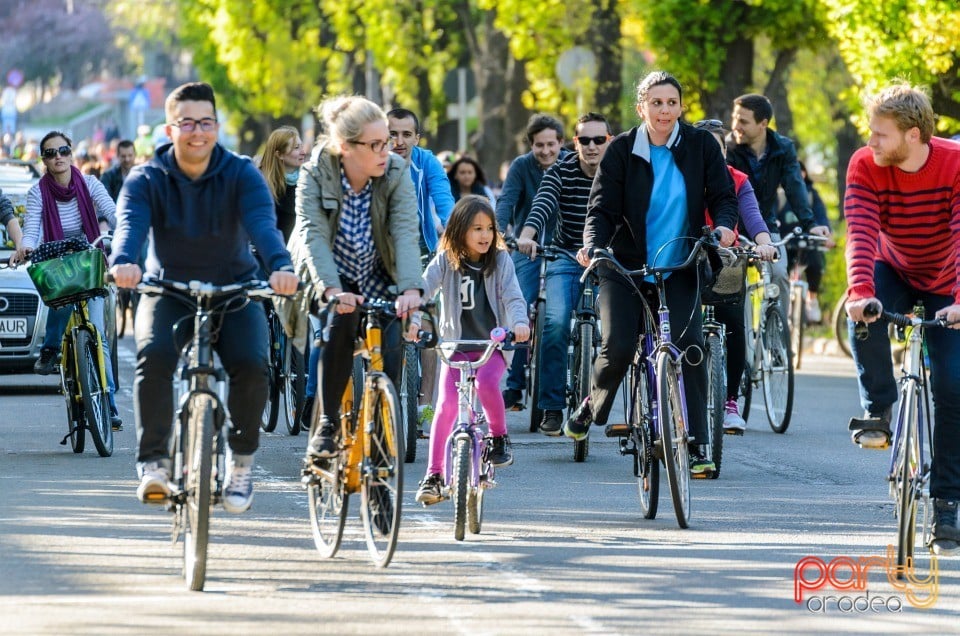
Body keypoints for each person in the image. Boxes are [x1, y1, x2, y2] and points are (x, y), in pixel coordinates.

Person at [108, 82, 298, 513]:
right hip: (168, 287)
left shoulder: (241, 173)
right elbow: (130, 225)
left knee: (252, 364)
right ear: (170, 129)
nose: (198, 132)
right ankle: (154, 463)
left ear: (217, 126)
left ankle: (241, 463)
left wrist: (281, 266)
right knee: (153, 357)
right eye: (187, 123)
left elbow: (262, 225)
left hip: (235, 289)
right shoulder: (147, 178)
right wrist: (123, 261)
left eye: (206, 122)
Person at [566, 72, 738, 477]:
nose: (665, 110)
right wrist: (593, 245)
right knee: (620, 346)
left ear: (681, 107)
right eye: (656, 103)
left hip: (680, 264)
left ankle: (696, 445)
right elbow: (601, 209)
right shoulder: (622, 150)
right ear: (641, 107)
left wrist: (726, 226)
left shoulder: (698, 146)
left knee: (690, 347)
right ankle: (594, 403)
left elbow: (723, 196)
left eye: (672, 103)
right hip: (624, 264)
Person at [842, 82, 960, 556]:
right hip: (891, 265)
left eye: (880, 134)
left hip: (946, 279)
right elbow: (862, 231)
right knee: (863, 311)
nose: (871, 141)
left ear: (913, 136)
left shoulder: (953, 164)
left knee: (952, 386)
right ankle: (879, 408)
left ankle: (948, 502)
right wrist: (860, 292)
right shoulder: (866, 164)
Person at [293, 96, 422, 460]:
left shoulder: (395, 172)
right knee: (341, 324)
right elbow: (313, 236)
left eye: (389, 142)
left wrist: (411, 288)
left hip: (381, 271)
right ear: (345, 147)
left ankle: (383, 441)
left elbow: (404, 231)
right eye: (376, 144)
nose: (388, 150)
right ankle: (328, 422)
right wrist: (332, 289)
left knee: (392, 347)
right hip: (331, 273)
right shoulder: (315, 173)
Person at [412, 195, 530, 505]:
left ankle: (499, 436)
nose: (485, 235)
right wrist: (412, 320)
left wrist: (519, 324)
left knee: (487, 383)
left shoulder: (501, 260)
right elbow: (422, 292)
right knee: (446, 407)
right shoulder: (445, 261)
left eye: (489, 228)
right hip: (455, 348)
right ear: (459, 230)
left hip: (491, 347)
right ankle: (434, 474)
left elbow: (514, 299)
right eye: (476, 228)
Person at [514, 112, 612, 435]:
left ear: (609, 141)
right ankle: (552, 407)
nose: (592, 146)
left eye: (599, 140)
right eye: (585, 140)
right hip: (566, 254)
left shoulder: (618, 171)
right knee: (555, 322)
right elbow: (542, 204)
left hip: (608, 257)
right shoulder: (562, 169)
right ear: (575, 143)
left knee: (620, 331)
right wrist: (528, 234)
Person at [19, 131, 121, 429]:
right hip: (59, 263)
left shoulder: (89, 184)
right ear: (44, 161)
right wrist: (26, 245)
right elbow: (33, 227)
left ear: (71, 153)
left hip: (90, 260)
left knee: (99, 336)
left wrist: (125, 235)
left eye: (63, 150)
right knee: (61, 303)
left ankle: (110, 406)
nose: (58, 156)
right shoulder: (38, 192)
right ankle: (50, 349)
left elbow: (113, 213)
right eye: (51, 153)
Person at [692, 119, 778, 434]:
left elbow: (752, 216)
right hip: (687, 257)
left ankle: (730, 402)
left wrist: (765, 243)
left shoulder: (736, 179)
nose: (714, 155)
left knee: (733, 322)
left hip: (726, 258)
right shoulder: (682, 177)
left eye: (719, 148)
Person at [727, 94, 830, 319]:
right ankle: (741, 341)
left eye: (743, 121)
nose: (736, 126)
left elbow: (795, 187)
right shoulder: (727, 148)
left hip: (766, 225)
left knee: (779, 274)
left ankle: (778, 339)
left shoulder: (783, 148)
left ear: (763, 124)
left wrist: (810, 223)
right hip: (732, 228)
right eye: (735, 118)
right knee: (733, 286)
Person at [385, 108, 455, 427]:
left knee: (427, 327)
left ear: (417, 137)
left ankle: (425, 407)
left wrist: (457, 231)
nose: (398, 141)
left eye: (406, 134)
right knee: (385, 327)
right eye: (392, 134)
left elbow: (444, 200)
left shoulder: (426, 161)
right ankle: (384, 397)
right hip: (380, 255)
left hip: (421, 250)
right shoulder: (371, 159)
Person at [495, 113, 570, 410]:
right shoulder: (521, 166)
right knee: (520, 305)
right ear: (531, 145)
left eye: (551, 144)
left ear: (561, 143)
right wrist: (499, 233)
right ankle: (514, 384)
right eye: (539, 145)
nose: (546, 151)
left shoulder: (571, 164)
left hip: (564, 246)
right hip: (527, 245)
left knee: (561, 314)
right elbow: (506, 202)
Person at [776, 159, 833, 323]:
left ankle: (812, 298)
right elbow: (771, 215)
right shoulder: (780, 195)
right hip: (786, 241)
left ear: (804, 173)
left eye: (799, 171)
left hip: (808, 241)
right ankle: (782, 303)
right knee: (780, 270)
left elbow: (821, 216)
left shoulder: (811, 194)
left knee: (816, 263)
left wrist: (826, 235)